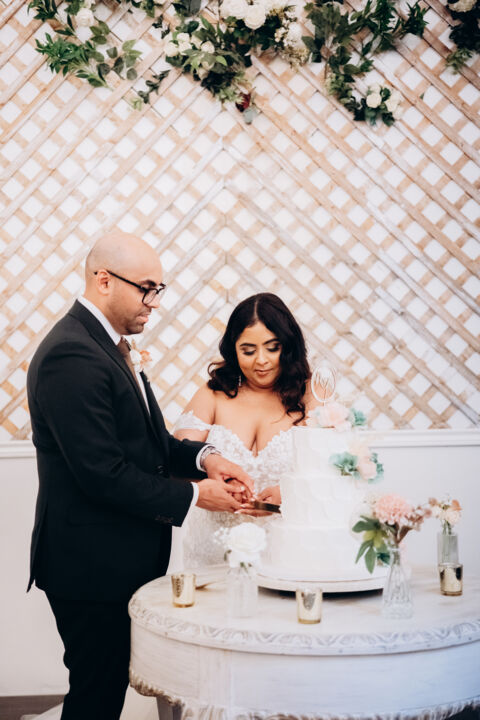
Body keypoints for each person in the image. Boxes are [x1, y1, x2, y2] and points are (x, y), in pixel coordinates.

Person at [26, 231, 254, 720]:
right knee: (96, 694)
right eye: (147, 289)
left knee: (106, 688)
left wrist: (206, 458)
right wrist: (195, 497)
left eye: (158, 289)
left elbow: (151, 444)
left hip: (114, 560)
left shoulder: (108, 346)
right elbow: (102, 473)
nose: (155, 302)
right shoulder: (72, 354)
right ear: (104, 280)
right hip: (89, 566)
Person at [174, 292, 314, 567]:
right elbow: (177, 459)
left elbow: (333, 471)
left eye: (272, 348)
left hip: (289, 554)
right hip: (214, 552)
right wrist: (207, 487)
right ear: (233, 350)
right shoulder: (213, 394)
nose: (261, 360)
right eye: (248, 351)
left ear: (288, 346)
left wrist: (291, 493)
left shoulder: (310, 395)